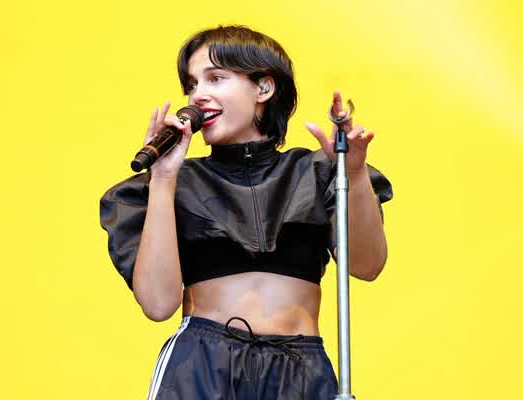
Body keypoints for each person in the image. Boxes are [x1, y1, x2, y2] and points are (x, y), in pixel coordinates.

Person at [99, 25, 393, 400]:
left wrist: (352, 173)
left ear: (264, 88)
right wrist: (163, 178)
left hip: (299, 372)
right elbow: (158, 304)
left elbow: (368, 265)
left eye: (216, 78)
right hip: (201, 367)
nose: (198, 95)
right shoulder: (173, 184)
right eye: (191, 85)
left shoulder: (316, 171)